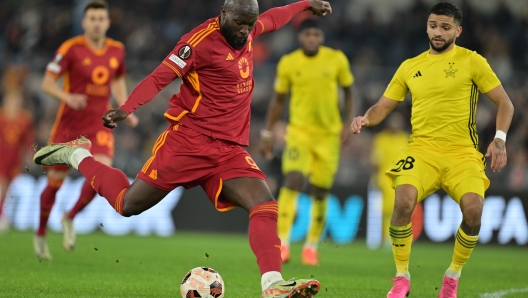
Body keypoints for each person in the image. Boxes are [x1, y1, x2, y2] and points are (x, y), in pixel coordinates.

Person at [34, 0, 332, 297]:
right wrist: (127, 107)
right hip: (188, 143)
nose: (245, 31)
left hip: (229, 149)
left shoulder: (250, 30)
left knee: (265, 204)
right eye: (239, 23)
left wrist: (306, 4)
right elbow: (158, 77)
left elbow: (275, 18)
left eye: (250, 24)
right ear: (224, 14)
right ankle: (77, 154)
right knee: (127, 204)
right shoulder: (197, 43)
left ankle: (272, 284)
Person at [350, 2, 514, 298]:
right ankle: (401, 278)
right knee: (402, 201)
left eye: (445, 27)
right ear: (427, 26)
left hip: (462, 152)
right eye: (433, 26)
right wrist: (366, 118)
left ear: (458, 31)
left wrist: (499, 139)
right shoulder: (410, 66)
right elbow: (383, 106)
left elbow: (505, 103)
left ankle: (452, 276)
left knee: (474, 210)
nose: (438, 32)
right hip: (422, 150)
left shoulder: (472, 61)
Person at [35, 0, 138, 259]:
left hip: (98, 123)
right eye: (91, 19)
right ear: (84, 22)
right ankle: (40, 234)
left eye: (100, 19)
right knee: (55, 184)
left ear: (107, 22)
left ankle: (70, 217)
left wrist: (125, 108)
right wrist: (66, 96)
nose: (96, 23)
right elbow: (47, 82)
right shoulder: (71, 48)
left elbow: (116, 79)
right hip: (69, 126)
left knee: (100, 174)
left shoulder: (117, 50)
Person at [260, 18, 353, 266]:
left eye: (316, 34)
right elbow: (278, 100)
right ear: (300, 37)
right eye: (307, 34)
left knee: (320, 191)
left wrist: (347, 123)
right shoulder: (289, 63)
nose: (312, 38)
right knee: (292, 181)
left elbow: (348, 91)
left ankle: (311, 247)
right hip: (299, 133)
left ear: (322, 38)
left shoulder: (336, 60)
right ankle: (284, 244)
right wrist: (268, 132)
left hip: (328, 136)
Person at [0, 65, 34, 232]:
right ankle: (2, 217)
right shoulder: (1, 117)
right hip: (1, 157)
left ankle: (5, 215)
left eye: (17, 100)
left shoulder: (24, 119)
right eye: (12, 99)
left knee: (10, 189)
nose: (15, 102)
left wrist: (31, 154)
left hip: (15, 159)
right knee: (3, 186)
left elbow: (28, 141)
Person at [370, 112, 409, 248]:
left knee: (401, 209)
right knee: (387, 209)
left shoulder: (405, 139)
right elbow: (376, 161)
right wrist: (374, 178)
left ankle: (400, 236)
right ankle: (386, 237)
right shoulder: (381, 139)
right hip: (384, 178)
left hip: (401, 178)